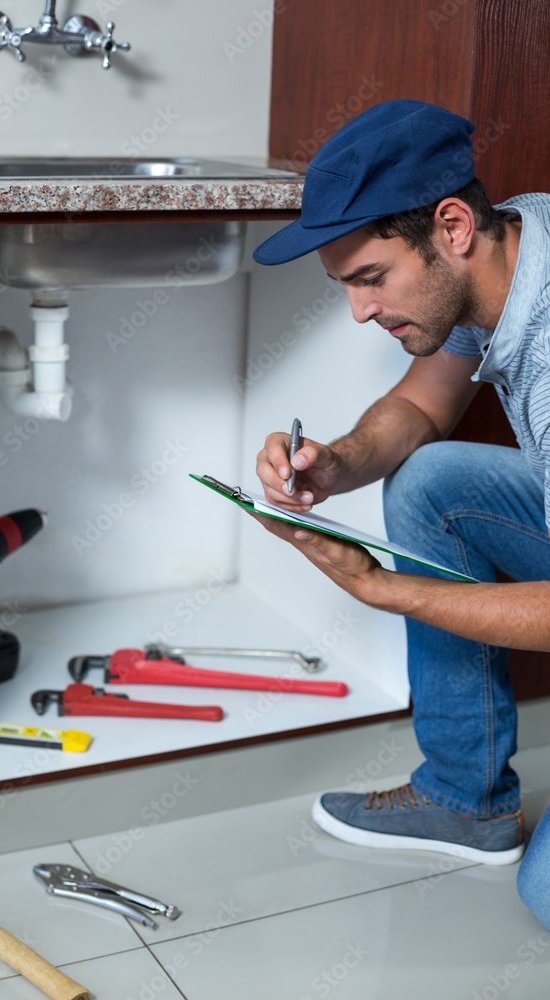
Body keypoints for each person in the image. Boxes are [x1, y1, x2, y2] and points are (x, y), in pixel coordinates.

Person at [251, 99, 550, 926]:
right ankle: (464, 802)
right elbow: (422, 407)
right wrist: (333, 464)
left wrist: (385, 590)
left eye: (369, 280)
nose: (358, 310)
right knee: (432, 481)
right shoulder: (513, 247)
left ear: (451, 225)